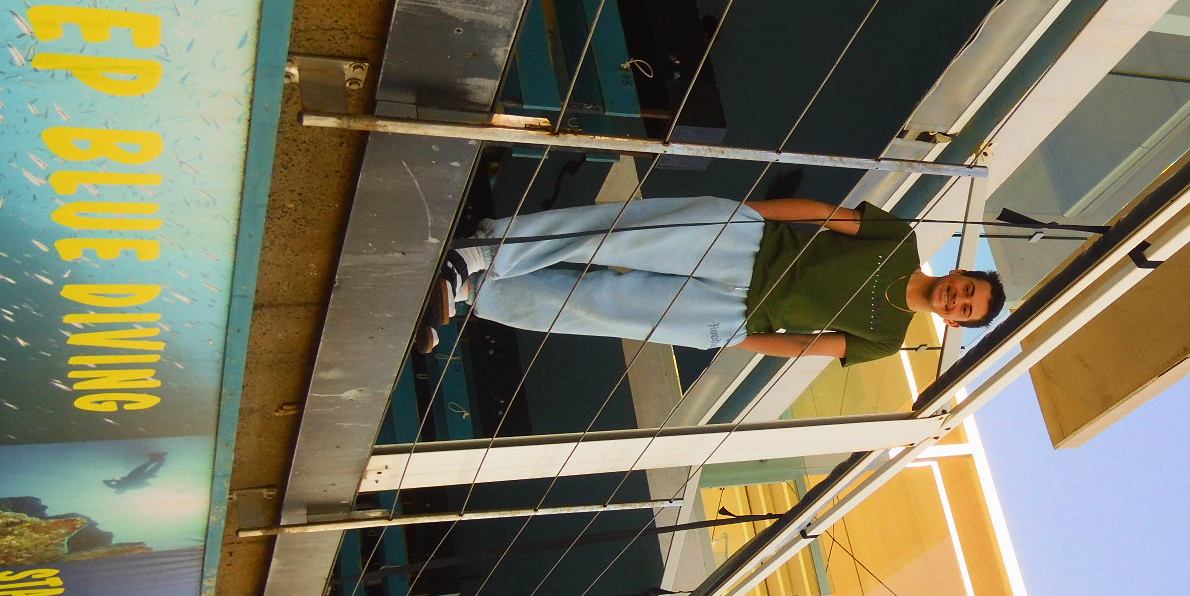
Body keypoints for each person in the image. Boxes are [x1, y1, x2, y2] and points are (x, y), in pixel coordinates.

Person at [424, 195, 1004, 366]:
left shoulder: (887, 341)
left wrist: (737, 339)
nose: (958, 299)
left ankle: (475, 292)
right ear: (959, 272)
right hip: (748, 246)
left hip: (736, 317)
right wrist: (748, 214)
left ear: (953, 322)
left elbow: (808, 346)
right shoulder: (898, 238)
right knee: (618, 237)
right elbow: (822, 214)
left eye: (965, 309)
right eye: (967, 289)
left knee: (600, 307)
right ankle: (481, 253)